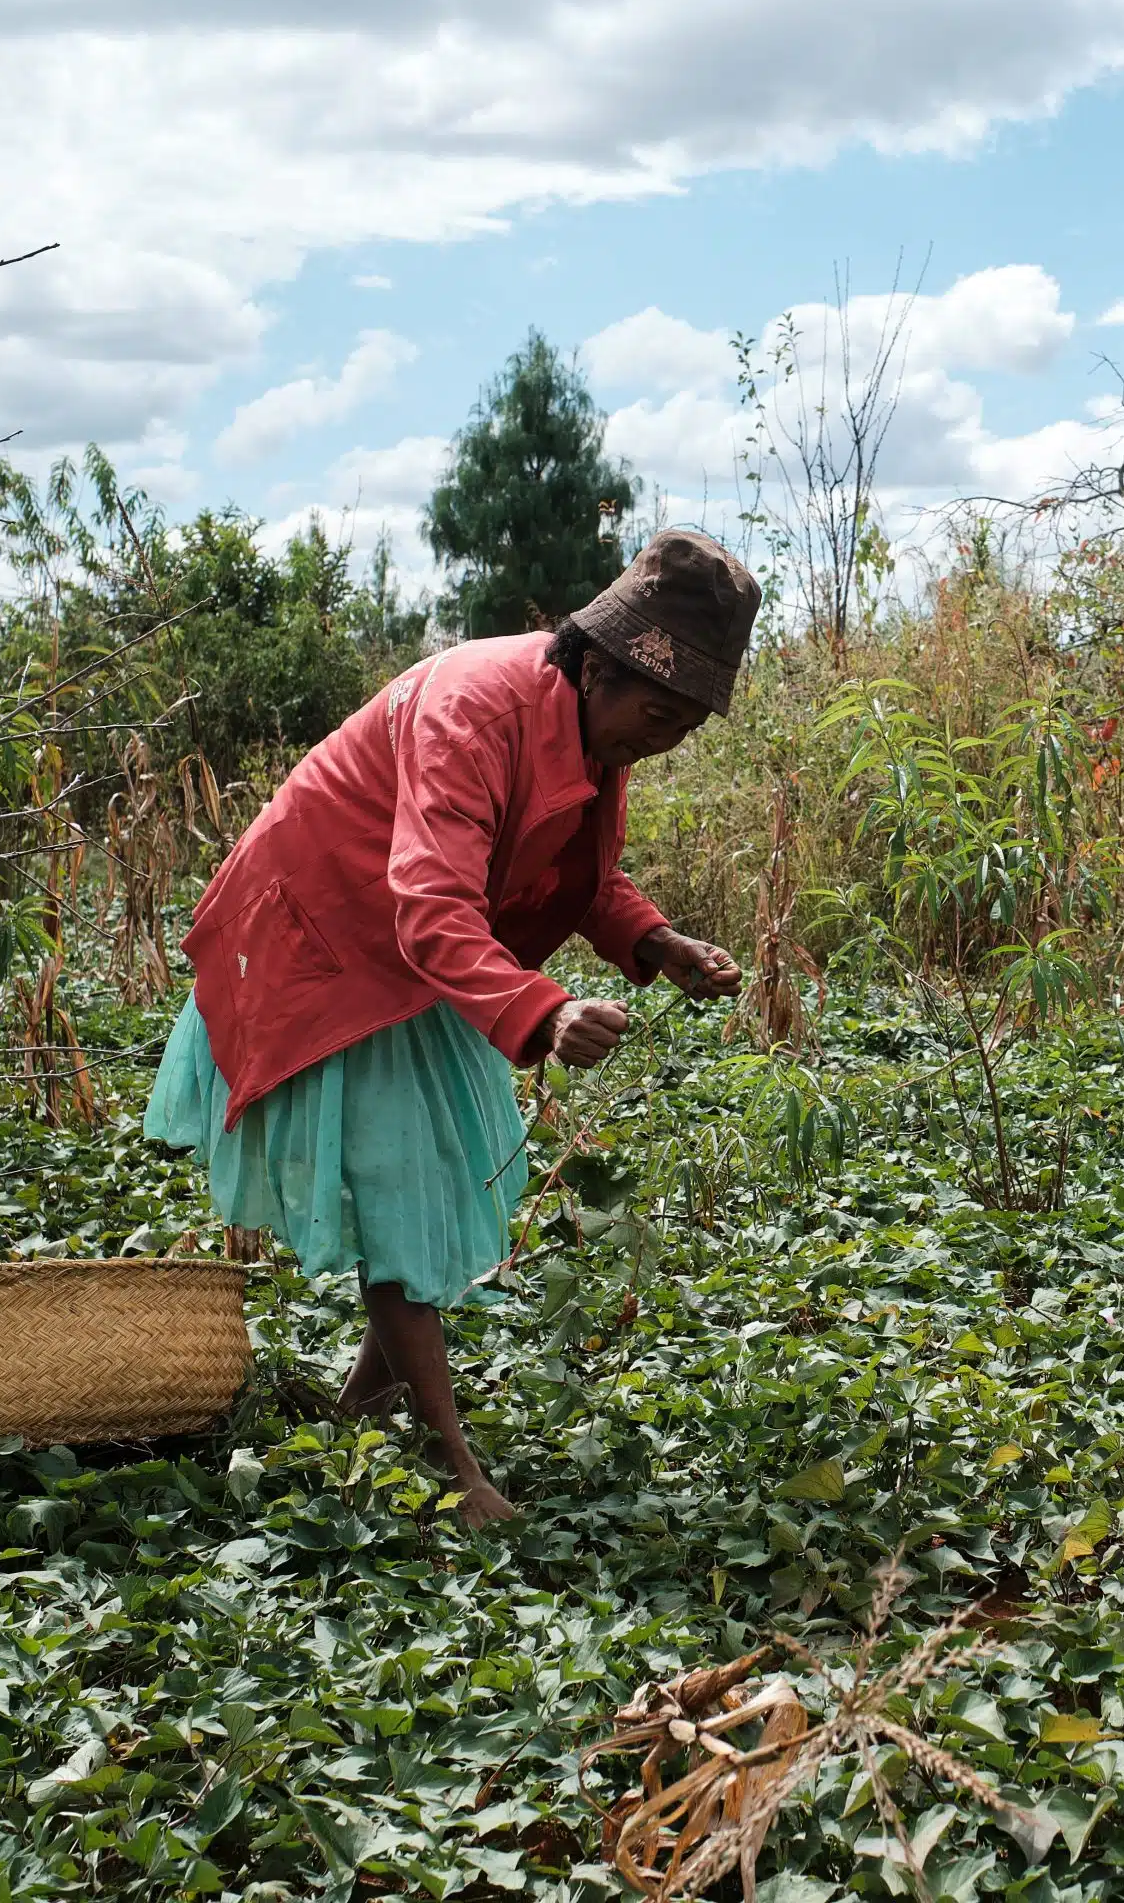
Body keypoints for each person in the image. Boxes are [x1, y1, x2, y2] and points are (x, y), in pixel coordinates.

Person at [145, 530, 757, 1526]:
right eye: (658, 713)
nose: (664, 739)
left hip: (416, 953)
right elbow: (430, 900)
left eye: (687, 724)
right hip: (329, 935)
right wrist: (544, 1012)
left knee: (437, 1180)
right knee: (402, 1188)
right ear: (597, 667)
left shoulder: (595, 733)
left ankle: (367, 1405)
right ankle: (447, 1469)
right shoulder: (475, 707)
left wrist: (655, 943)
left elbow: (576, 875)